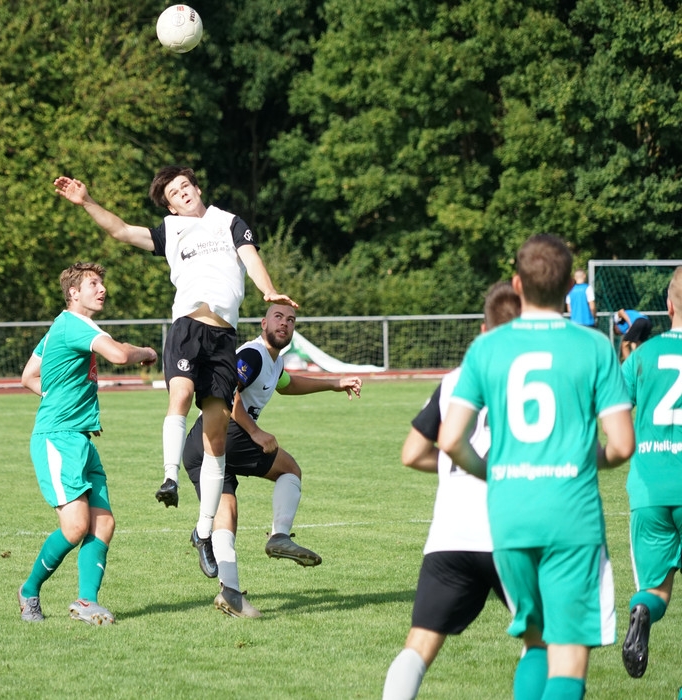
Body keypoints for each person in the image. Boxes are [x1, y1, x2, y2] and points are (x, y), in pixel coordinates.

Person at [53, 168, 297, 578]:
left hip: (223, 338)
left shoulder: (229, 222)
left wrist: (268, 290)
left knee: (215, 434)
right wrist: (88, 202)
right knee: (180, 394)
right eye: (174, 192)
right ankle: (169, 478)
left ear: (197, 189)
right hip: (187, 327)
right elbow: (122, 231)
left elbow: (251, 258)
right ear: (170, 204)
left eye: (186, 186)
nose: (182, 193)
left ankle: (203, 531)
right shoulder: (170, 230)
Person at [439, 234, 635, 700]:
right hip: (571, 513)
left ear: (517, 283)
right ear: (570, 286)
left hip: (509, 513)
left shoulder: (487, 349)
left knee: (535, 642)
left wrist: (491, 471)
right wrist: (592, 459)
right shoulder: (593, 347)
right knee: (569, 651)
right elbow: (623, 445)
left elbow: (450, 440)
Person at [382, 282, 520, 700]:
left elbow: (411, 453)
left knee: (419, 645)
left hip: (450, 535)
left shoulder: (456, 378)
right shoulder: (535, 375)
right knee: (546, 645)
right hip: (512, 532)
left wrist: (457, 468)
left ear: (482, 329)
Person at [181, 304, 361, 616]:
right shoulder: (253, 354)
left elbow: (288, 384)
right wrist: (255, 431)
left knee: (227, 513)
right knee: (289, 469)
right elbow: (227, 394)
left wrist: (335, 383)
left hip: (200, 445)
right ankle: (279, 536)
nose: (285, 324)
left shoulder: (273, 362)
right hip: (227, 434)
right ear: (264, 323)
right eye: (278, 317)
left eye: (291, 320)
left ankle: (230, 592)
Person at [17, 262, 158, 625]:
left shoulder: (60, 328)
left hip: (80, 439)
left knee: (103, 523)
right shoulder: (75, 324)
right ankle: (29, 590)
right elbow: (119, 356)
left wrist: (57, 400)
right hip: (57, 439)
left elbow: (28, 376)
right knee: (76, 526)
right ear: (73, 293)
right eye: (93, 284)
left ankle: (85, 601)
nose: (102, 289)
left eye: (101, 283)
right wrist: (145, 351)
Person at [619, 266, 682, 679]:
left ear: (670, 304)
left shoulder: (643, 355)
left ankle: (641, 611)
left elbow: (612, 408)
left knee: (656, 589)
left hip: (650, 489)